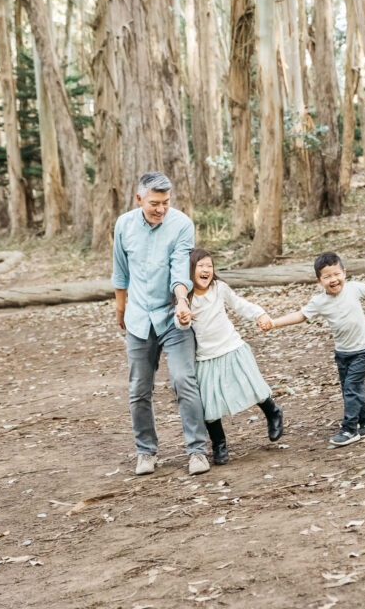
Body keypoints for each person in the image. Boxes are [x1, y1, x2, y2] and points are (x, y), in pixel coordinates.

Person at [112, 171, 210, 477]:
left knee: (184, 381)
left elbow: (180, 265)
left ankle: (197, 450)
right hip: (139, 319)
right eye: (154, 202)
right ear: (139, 199)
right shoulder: (124, 225)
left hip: (172, 317)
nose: (161, 209)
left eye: (166, 202)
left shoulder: (181, 224)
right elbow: (120, 271)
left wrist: (182, 301)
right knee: (139, 389)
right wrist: (120, 308)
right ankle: (146, 452)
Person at [262, 252, 365, 446]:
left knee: (352, 388)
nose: (333, 280)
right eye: (327, 277)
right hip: (342, 352)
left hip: (363, 347)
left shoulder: (354, 289)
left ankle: (350, 429)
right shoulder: (320, 302)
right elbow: (300, 315)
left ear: (344, 273)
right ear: (319, 281)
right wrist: (274, 323)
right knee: (349, 389)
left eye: (336, 274)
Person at [175, 248, 283, 465]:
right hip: (206, 356)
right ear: (189, 271)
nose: (206, 270)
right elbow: (179, 322)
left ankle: (273, 412)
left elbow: (240, 305)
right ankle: (219, 443)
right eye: (200, 266)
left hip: (232, 347)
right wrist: (184, 320)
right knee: (210, 405)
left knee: (253, 387)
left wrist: (260, 314)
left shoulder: (219, 288)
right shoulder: (185, 297)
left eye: (209, 266)